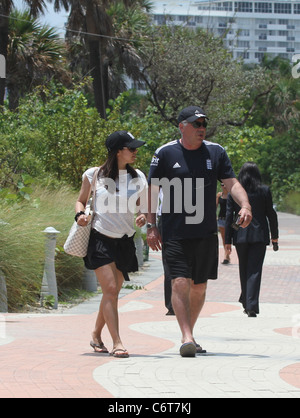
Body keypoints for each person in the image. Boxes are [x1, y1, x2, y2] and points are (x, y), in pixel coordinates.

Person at [146, 106, 252, 357]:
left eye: (204, 123)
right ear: (182, 127)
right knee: (180, 281)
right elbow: (150, 192)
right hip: (174, 232)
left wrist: (245, 205)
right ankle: (187, 336)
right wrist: (151, 226)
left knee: (199, 287)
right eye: (196, 124)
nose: (201, 127)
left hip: (205, 233)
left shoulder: (216, 152)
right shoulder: (165, 153)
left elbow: (231, 183)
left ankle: (189, 334)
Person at [75, 131, 147, 358]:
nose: (135, 152)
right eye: (131, 148)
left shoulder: (139, 178)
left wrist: (143, 215)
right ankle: (117, 342)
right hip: (100, 237)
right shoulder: (94, 174)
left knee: (111, 293)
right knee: (111, 290)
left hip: (124, 240)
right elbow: (81, 200)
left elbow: (141, 204)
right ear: (117, 151)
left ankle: (96, 334)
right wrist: (79, 216)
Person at [225, 162, 279, 317]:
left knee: (244, 268)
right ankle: (251, 305)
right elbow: (271, 215)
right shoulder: (264, 190)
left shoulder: (234, 193)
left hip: (240, 235)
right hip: (259, 236)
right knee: (254, 270)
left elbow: (230, 217)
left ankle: (246, 301)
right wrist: (274, 237)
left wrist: (228, 240)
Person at [216, 183, 231, 264]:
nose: (224, 186)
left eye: (225, 184)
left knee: (229, 237)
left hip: (229, 220)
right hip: (221, 219)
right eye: (222, 184)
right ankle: (226, 256)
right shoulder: (219, 195)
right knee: (224, 238)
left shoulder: (231, 195)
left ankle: (228, 253)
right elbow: (215, 206)